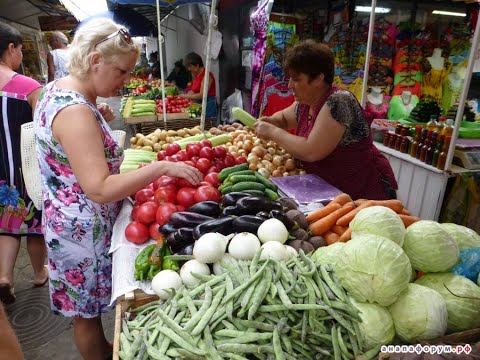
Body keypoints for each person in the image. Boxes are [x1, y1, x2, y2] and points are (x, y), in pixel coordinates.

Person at [33, 19, 202, 360]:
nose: (126, 81)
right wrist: (159, 167)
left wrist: (97, 116)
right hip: (82, 231)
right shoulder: (76, 111)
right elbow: (98, 188)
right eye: (122, 72)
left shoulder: (59, 91)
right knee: (86, 318)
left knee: (87, 312)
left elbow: (68, 150)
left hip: (70, 222)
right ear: (95, 60)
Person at [254, 40, 397, 200]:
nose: (289, 85)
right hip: (332, 192)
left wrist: (272, 131)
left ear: (318, 79)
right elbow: (285, 119)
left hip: (364, 192)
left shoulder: (339, 102)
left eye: (296, 79)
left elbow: (311, 151)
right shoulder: (305, 103)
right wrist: (272, 121)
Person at [0, 21, 48, 305]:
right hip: (24, 168)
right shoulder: (28, 86)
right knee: (33, 223)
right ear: (11, 49)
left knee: (6, 223)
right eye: (20, 49)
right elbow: (45, 127)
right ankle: (39, 272)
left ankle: (5, 277)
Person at [182, 52, 217, 118]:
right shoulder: (196, 74)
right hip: (199, 105)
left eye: (190, 67)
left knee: (207, 126)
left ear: (197, 65)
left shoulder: (207, 76)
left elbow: (201, 95)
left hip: (208, 105)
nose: (189, 69)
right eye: (188, 67)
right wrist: (188, 94)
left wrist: (185, 96)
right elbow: (194, 89)